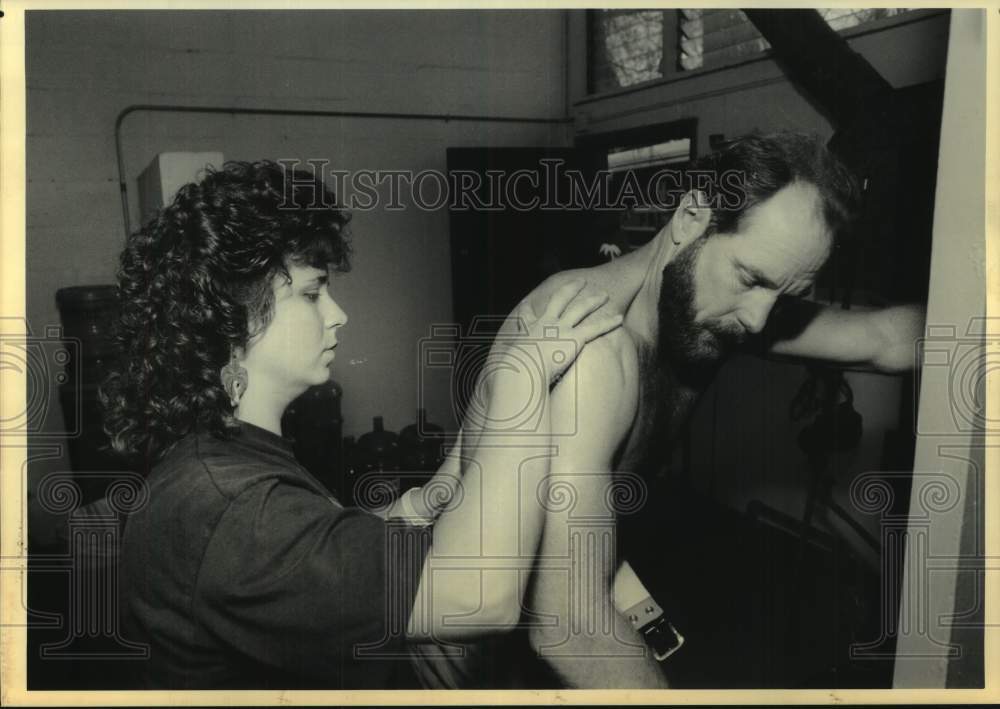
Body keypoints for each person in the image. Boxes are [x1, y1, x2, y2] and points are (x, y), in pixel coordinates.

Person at [101, 160, 627, 689]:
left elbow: (310, 551)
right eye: (312, 293)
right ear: (234, 314)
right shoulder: (230, 509)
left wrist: (417, 506)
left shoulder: (225, 454)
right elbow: (480, 596)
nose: (337, 314)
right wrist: (525, 376)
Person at [427, 131, 926, 688]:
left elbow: (884, 338)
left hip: (567, 589)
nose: (760, 321)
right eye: (751, 279)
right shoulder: (592, 345)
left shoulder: (717, 303)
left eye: (781, 295)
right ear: (691, 217)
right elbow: (570, 627)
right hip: (470, 651)